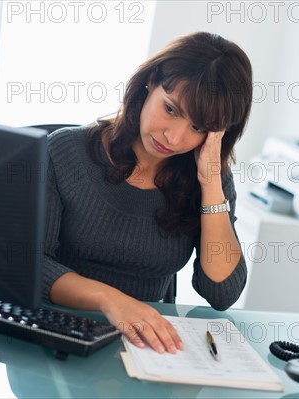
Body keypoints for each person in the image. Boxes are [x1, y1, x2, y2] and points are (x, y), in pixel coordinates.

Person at [42, 32, 252, 354]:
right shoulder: (65, 151)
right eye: (170, 109)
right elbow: (30, 263)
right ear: (151, 82)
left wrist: (210, 185)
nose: (174, 136)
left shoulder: (209, 181)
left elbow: (222, 293)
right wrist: (111, 300)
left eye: (197, 128)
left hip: (147, 350)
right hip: (58, 335)